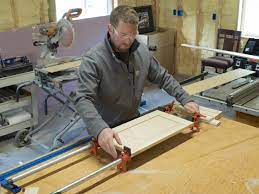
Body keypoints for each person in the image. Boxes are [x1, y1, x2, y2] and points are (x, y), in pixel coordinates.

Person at [74, 5, 199, 159]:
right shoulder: (93, 60)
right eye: (124, 34)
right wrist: (100, 130)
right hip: (107, 131)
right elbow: (82, 98)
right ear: (110, 29)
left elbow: (162, 77)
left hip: (134, 122)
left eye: (133, 34)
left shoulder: (141, 52)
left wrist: (185, 98)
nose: (129, 40)